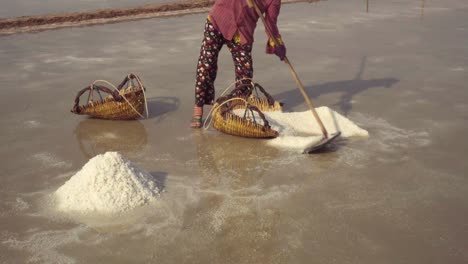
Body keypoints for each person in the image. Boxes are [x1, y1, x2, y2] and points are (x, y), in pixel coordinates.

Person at [190, 0, 286, 128]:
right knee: (206, 64)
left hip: (243, 32)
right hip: (219, 20)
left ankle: (238, 108)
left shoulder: (274, 1)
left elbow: (270, 23)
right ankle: (198, 108)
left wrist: (276, 42)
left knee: (245, 74)